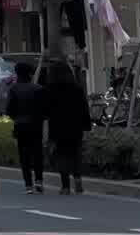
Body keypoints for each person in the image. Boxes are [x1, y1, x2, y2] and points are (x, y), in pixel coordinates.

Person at [44, 58, 91, 194]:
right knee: (75, 153)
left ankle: (65, 186)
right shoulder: (76, 89)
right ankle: (78, 180)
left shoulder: (50, 89)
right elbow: (84, 108)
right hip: (75, 126)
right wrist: (86, 126)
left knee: (62, 155)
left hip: (57, 126)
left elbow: (46, 111)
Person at [5, 61, 47, 193]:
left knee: (24, 155)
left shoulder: (13, 89)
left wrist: (16, 117)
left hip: (20, 125)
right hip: (36, 125)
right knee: (37, 153)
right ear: (30, 74)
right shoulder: (38, 89)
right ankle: (39, 180)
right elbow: (44, 109)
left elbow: (9, 109)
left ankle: (28, 184)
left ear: (17, 74)